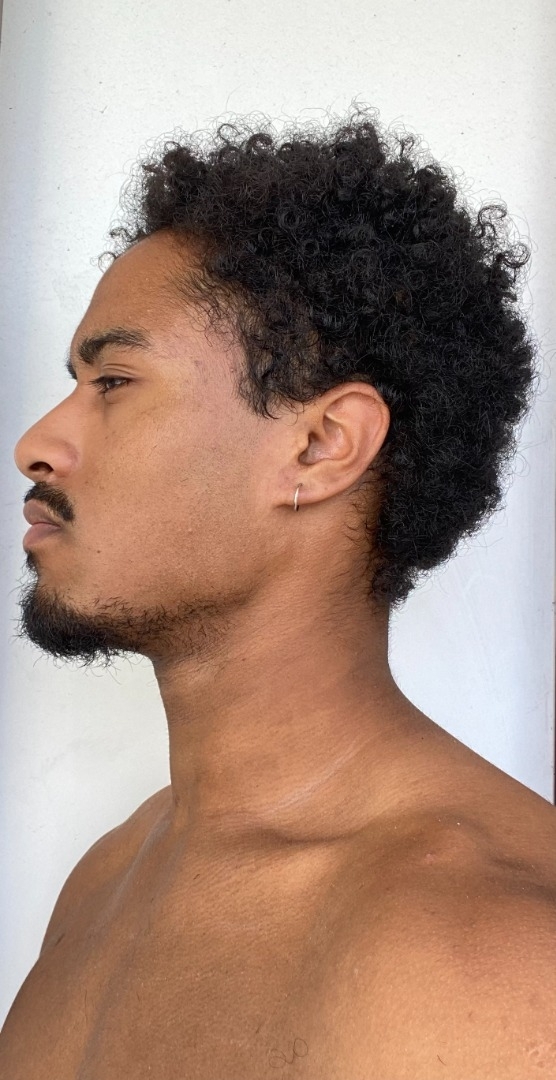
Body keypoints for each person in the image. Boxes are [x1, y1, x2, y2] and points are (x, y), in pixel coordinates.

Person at [2, 105, 555, 1079]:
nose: (36, 445)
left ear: (321, 445)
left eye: (115, 381)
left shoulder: (480, 953)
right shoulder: (107, 879)